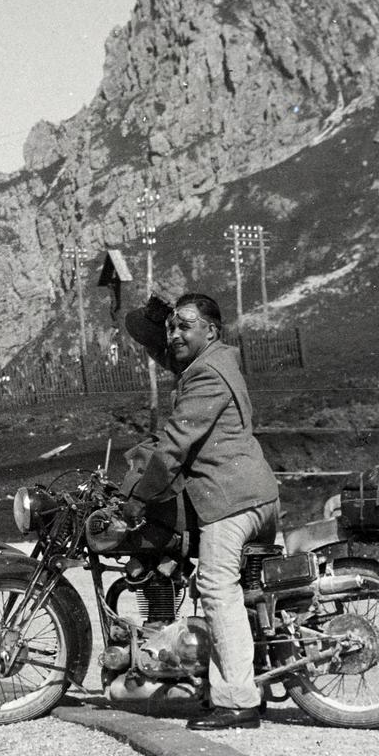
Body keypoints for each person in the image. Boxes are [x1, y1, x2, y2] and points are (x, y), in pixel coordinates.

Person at [119, 292, 279, 732]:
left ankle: (237, 702)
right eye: (171, 327)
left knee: (215, 587)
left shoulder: (206, 374)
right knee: (232, 590)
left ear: (210, 330)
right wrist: (155, 330)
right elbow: (170, 355)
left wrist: (139, 499)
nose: (175, 335)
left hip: (232, 500)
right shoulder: (215, 363)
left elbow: (174, 445)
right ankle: (240, 682)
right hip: (251, 494)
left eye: (184, 326)